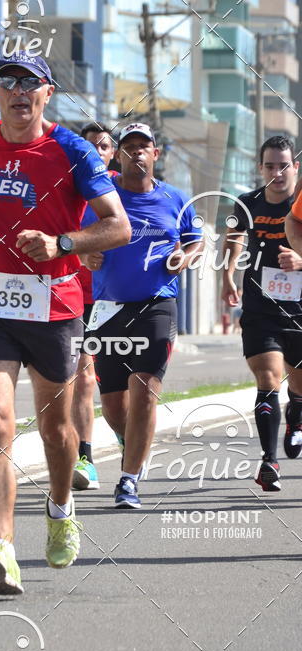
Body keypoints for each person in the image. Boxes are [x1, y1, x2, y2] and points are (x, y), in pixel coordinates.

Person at [0, 51, 131, 595]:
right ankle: (1, 547)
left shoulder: (71, 151)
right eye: (8, 82)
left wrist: (61, 243)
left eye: (32, 84)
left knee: (57, 429)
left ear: (47, 95)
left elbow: (118, 228)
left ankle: (61, 507)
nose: (19, 91)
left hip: (55, 304)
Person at [84, 122, 203, 508]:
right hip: (108, 310)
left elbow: (197, 241)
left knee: (145, 391)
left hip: (157, 304)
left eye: (143, 146)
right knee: (115, 407)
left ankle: (129, 480)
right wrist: (85, 254)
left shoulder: (176, 199)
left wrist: (184, 257)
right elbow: (77, 237)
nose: (136, 152)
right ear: (118, 155)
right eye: (129, 146)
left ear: (156, 154)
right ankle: (130, 443)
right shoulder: (103, 198)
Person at [222, 134, 302, 490]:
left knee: (298, 388)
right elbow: (233, 237)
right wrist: (227, 275)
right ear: (260, 168)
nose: (277, 173)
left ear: (295, 167)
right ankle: (269, 462)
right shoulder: (247, 202)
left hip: (299, 310)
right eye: (270, 166)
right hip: (260, 308)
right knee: (268, 378)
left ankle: (296, 414)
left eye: (284, 165)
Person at [72, 123, 118, 491]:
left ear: (112, 153)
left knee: (121, 386)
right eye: (89, 146)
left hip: (118, 299)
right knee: (83, 378)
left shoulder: (124, 188)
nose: (96, 151)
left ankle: (125, 436)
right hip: (74, 296)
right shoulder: (64, 185)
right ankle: (84, 458)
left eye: (103, 146)